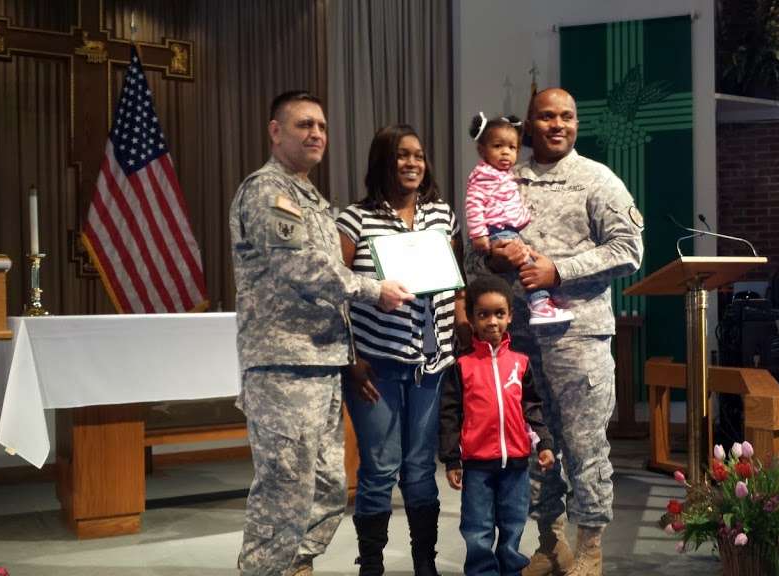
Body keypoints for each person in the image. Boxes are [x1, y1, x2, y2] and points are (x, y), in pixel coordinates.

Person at [229, 91, 413, 576]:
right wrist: (374, 290)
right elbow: (302, 269)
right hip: (283, 365)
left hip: (324, 360)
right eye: (304, 125)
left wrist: (351, 351)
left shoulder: (313, 198)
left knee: (328, 488)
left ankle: (298, 566)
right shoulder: (268, 192)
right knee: (284, 490)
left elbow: (328, 277)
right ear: (275, 131)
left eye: (322, 127)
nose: (316, 134)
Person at [466, 88, 644, 576]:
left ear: (576, 123)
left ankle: (590, 548)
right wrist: (488, 257)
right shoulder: (504, 177)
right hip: (517, 341)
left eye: (567, 115)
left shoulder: (596, 180)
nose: (557, 124)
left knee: (585, 447)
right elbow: (472, 251)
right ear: (529, 124)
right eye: (546, 116)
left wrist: (558, 271)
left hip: (578, 338)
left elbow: (629, 249)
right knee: (533, 446)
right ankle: (549, 542)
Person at [335, 124, 464, 576]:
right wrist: (351, 359)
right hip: (377, 368)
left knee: (418, 470)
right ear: (382, 163)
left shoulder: (442, 215)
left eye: (418, 156)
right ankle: (371, 564)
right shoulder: (354, 219)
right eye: (401, 156)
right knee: (379, 469)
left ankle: (424, 563)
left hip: (431, 365)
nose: (412, 164)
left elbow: (453, 283)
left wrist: (459, 337)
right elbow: (337, 292)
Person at [439, 274, 555, 576]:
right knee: (477, 527)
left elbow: (532, 407)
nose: (492, 321)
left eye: (499, 314)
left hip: (516, 463)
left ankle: (511, 569)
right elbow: (450, 415)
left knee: (514, 522)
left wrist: (544, 442)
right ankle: (481, 571)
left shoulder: (520, 362)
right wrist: (452, 457)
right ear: (471, 319)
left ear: (510, 316)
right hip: (477, 464)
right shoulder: (462, 366)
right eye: (483, 314)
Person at [464, 112, 573, 325]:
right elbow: (473, 205)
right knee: (530, 266)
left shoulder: (504, 174)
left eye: (512, 148)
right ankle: (540, 305)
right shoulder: (483, 176)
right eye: (498, 147)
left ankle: (541, 305)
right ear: (481, 150)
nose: (506, 153)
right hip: (500, 231)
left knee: (527, 264)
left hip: (507, 230)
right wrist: (479, 236)